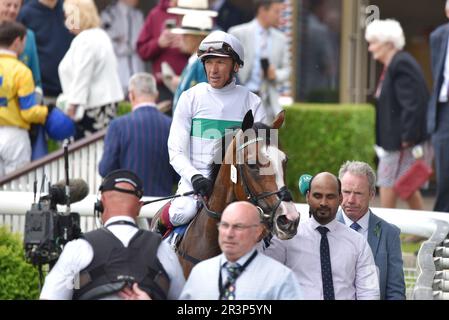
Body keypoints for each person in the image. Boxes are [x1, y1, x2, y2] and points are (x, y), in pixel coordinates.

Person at [158, 30, 266, 232]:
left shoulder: (253, 102)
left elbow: (263, 159)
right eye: (208, 62)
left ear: (235, 65)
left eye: (220, 62)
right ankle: (158, 235)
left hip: (238, 186)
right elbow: (176, 150)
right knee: (181, 213)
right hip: (195, 183)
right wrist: (195, 177)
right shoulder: (190, 98)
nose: (213, 70)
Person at [39, 169, 185, 300]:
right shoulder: (163, 251)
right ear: (139, 208)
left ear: (100, 204)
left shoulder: (78, 249)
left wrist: (77, 284)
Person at [264, 172, 380, 300]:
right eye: (317, 196)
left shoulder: (358, 242)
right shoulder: (287, 238)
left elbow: (370, 292)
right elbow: (266, 279)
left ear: (340, 199)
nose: (323, 203)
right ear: (308, 197)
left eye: (330, 197)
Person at [365, 19, 431, 210]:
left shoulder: (401, 63)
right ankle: (421, 229)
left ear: (388, 43)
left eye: (373, 42)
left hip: (401, 141)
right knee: (406, 186)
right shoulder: (394, 63)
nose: (370, 48)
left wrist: (407, 137)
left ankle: (386, 229)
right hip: (396, 139)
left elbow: (413, 103)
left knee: (387, 182)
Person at [99, 73, 178, 197]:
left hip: (128, 205)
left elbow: (105, 169)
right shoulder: (172, 125)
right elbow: (178, 173)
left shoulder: (118, 126)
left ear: (131, 95)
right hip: (161, 205)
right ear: (156, 95)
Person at [337, 160, 406, 300]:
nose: (351, 199)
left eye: (358, 193)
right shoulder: (325, 230)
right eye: (346, 192)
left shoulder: (389, 234)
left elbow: (396, 292)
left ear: (372, 194)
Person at [59, 0, 124, 140]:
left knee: (86, 154)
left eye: (68, 16)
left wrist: (72, 107)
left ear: (79, 16)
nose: (66, 21)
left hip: (91, 108)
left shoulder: (85, 39)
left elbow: (82, 75)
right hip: (106, 104)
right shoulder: (100, 35)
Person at [0, 21, 51, 176]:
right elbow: (28, 112)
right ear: (17, 41)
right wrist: (47, 111)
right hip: (15, 137)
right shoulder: (22, 71)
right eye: (24, 42)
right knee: (17, 189)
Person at [229, 0, 290, 123]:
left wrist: (275, 74)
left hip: (266, 103)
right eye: (276, 12)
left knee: (263, 140)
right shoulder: (238, 33)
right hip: (240, 98)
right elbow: (228, 65)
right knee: (238, 139)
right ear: (262, 10)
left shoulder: (281, 39)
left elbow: (288, 70)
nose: (279, 16)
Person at [18, 0, 73, 103]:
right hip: (42, 93)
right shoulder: (26, 13)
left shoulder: (71, 9)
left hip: (71, 92)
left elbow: (80, 38)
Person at [136, 0, 189, 108]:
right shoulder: (155, 14)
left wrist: (187, 46)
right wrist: (158, 43)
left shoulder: (193, 11)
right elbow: (141, 51)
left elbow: (207, 48)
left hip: (190, 83)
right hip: (162, 86)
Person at [428, 0, 449, 213]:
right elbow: (437, 75)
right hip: (444, 112)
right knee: (445, 176)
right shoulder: (438, 37)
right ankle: (442, 236)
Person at [100, 0, 145, 94]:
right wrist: (129, 46)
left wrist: (123, 42)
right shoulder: (108, 15)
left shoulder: (138, 15)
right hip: (118, 75)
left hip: (138, 73)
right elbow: (107, 45)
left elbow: (142, 44)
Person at [170, 12, 212, 110]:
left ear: (199, 38)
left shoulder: (204, 64)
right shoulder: (194, 61)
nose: (182, 39)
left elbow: (204, 101)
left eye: (186, 35)